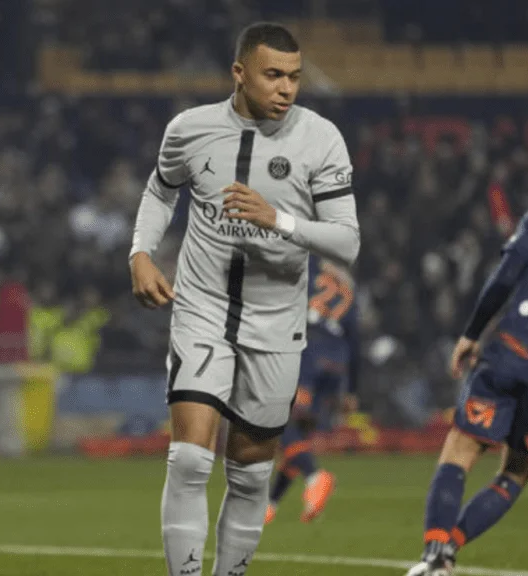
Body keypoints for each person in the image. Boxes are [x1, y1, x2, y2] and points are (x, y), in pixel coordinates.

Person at [129, 22, 360, 575]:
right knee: (188, 457)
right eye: (273, 74)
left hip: (277, 320)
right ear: (239, 73)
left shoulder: (321, 138)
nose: (286, 88)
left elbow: (347, 240)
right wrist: (140, 252)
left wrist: (277, 219)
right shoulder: (190, 129)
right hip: (201, 306)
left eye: (295, 77)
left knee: (252, 470)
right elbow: (160, 191)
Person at [405, 203, 528, 576]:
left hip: (511, 352)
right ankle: (449, 549)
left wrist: (472, 332)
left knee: (461, 449)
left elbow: (506, 275)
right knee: (514, 475)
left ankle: (435, 556)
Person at [266, 254, 359, 524]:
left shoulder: (298, 263)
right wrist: (352, 388)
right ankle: (270, 505)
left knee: (280, 421)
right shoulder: (347, 281)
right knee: (298, 436)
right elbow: (355, 339)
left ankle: (315, 477)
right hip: (336, 362)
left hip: (307, 351)